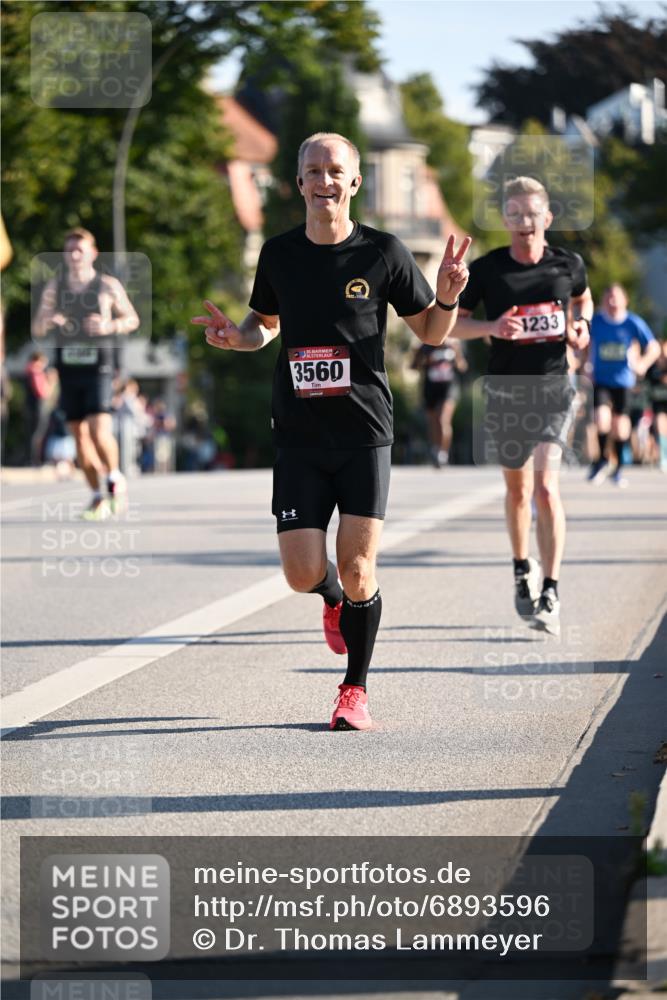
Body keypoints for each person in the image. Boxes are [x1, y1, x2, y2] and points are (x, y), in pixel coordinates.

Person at [192, 131, 470, 730]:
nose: (324, 181)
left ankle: (354, 690)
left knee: (362, 563)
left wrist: (445, 295)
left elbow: (431, 333)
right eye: (312, 171)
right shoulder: (279, 254)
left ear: (354, 182)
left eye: (334, 171)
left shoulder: (384, 254)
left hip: (365, 432)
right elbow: (263, 322)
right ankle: (331, 599)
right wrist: (236, 338)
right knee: (301, 572)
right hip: (298, 433)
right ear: (299, 184)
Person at [452, 176, 592, 637]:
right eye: (514, 214)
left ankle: (551, 588)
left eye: (531, 214)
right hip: (507, 391)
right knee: (517, 491)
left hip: (554, 387)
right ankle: (521, 567)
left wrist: (581, 326)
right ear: (505, 219)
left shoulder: (567, 263)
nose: (523, 223)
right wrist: (493, 327)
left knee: (546, 486)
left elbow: (581, 299)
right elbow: (453, 325)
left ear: (547, 218)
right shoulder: (489, 269)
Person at [32, 228, 140, 517]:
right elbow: (38, 329)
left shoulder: (106, 285)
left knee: (97, 428)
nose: (75, 255)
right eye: (70, 250)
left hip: (99, 366)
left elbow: (132, 319)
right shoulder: (55, 288)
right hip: (68, 367)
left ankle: (115, 476)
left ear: (92, 253)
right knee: (78, 436)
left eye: (80, 249)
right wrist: (49, 319)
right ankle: (97, 497)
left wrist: (109, 326)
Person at [586, 283, 660, 488]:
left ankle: (617, 468)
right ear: (603, 301)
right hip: (600, 380)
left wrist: (642, 364)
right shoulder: (597, 321)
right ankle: (601, 460)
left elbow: (653, 347)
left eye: (616, 297)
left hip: (623, 381)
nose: (612, 302)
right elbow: (583, 344)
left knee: (620, 426)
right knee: (601, 419)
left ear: (625, 300)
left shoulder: (633, 322)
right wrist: (584, 363)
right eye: (608, 298)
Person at [411, 339, 467, 467]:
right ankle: (435, 449)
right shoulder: (424, 347)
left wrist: (457, 353)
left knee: (443, 419)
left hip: (448, 388)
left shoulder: (452, 345)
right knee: (432, 421)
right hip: (430, 388)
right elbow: (414, 366)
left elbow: (462, 366)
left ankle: (443, 453)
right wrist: (424, 359)